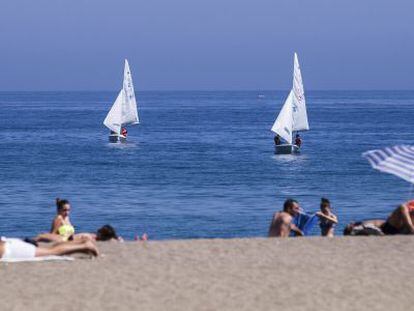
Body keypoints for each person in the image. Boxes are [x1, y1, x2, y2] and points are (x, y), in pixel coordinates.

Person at [0, 237, 98, 260]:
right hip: (9, 245)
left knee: (52, 252)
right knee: (51, 250)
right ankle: (81, 244)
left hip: (11, 250)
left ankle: (85, 245)